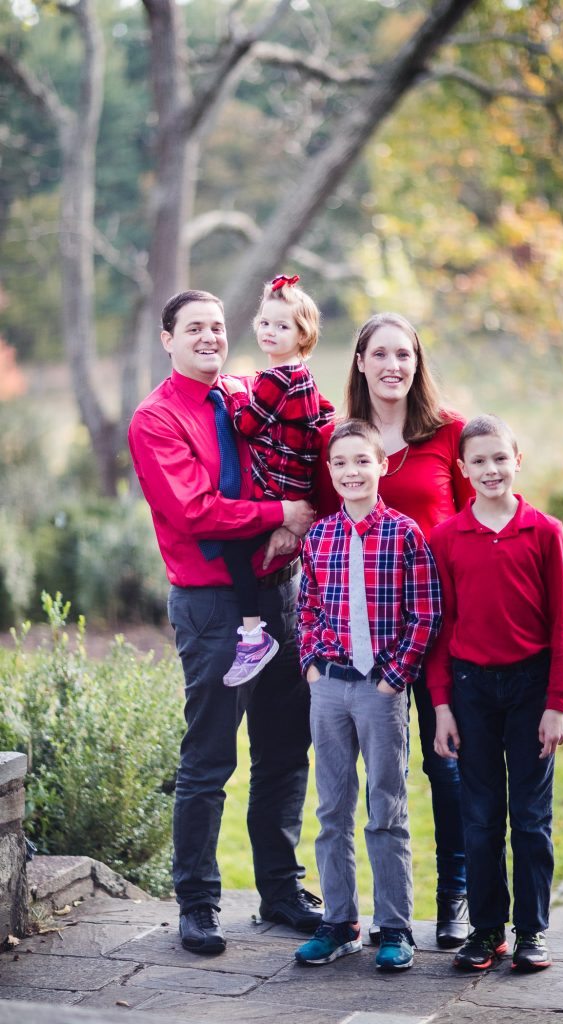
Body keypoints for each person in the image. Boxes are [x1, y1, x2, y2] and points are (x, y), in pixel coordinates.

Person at [128, 289, 323, 957]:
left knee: (284, 747)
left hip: (280, 593)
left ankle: (280, 889)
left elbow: (306, 438)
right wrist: (280, 516)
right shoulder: (155, 419)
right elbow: (195, 510)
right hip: (212, 607)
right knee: (209, 756)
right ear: (168, 339)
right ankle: (198, 904)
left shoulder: (244, 394)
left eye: (216, 326)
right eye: (194, 328)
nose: (210, 336)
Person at [315, 311, 473, 947]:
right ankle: (345, 913)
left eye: (403, 354)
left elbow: (476, 520)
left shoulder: (448, 434)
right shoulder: (341, 441)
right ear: (360, 362)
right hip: (364, 639)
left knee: (447, 762)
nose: (392, 366)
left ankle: (455, 897)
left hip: (441, 625)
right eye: (379, 354)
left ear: (417, 362)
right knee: (356, 786)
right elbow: (328, 543)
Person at [426, 414, 563, 973]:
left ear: (518, 461)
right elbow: (442, 627)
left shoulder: (544, 532)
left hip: (531, 688)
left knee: (530, 818)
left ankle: (533, 930)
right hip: (470, 690)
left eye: (499, 458)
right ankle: (487, 931)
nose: (490, 469)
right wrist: (441, 706)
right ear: (462, 470)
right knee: (481, 815)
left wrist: (557, 703)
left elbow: (561, 625)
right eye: (479, 462)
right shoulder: (447, 537)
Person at [295, 419, 442, 971]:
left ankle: (395, 926)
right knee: (332, 807)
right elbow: (307, 606)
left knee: (386, 807)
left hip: (380, 690)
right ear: (330, 473)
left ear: (381, 466)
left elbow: (425, 614)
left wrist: (394, 678)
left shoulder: (405, 535)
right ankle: (339, 922)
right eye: (340, 464)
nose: (351, 472)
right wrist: (312, 665)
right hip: (329, 687)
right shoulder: (320, 537)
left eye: (362, 461)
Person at [217, 274, 334, 687]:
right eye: (265, 323)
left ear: (303, 335)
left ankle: (252, 636)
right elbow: (325, 413)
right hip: (297, 481)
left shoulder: (273, 379)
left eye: (283, 326)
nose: (270, 331)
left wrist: (232, 395)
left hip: (279, 485)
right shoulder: (303, 375)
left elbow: (246, 424)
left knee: (233, 546)